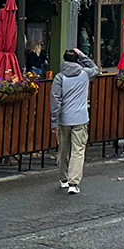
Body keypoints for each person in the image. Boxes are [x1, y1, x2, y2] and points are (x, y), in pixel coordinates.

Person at [49, 48, 94, 195]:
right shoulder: (85, 74)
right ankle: (73, 183)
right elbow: (95, 68)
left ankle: (63, 178)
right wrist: (82, 55)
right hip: (80, 117)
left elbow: (55, 100)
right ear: (77, 60)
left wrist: (54, 121)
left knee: (63, 150)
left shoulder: (59, 77)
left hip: (64, 119)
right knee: (78, 150)